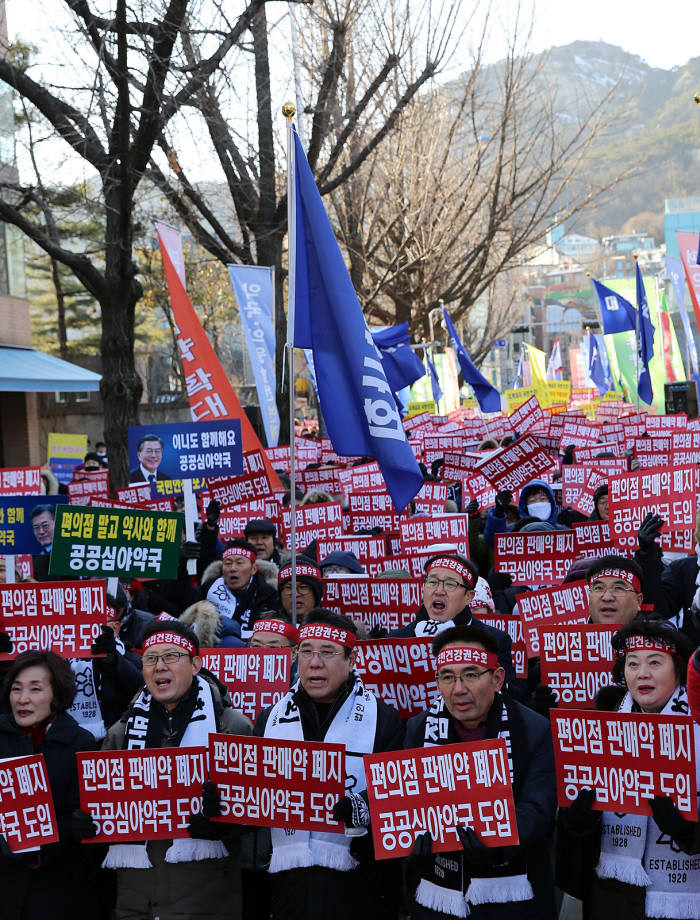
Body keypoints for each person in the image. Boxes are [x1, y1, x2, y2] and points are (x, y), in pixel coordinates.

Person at [93, 619, 253, 920]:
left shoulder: (231, 728)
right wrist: (90, 822)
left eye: (171, 656)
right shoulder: (121, 732)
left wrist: (229, 821)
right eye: (150, 659)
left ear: (195, 665)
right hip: (137, 902)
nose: (159, 666)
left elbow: (262, 813)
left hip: (206, 902)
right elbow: (104, 809)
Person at [254, 609, 405, 920]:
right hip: (288, 889)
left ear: (351, 661)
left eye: (328, 652)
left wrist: (362, 807)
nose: (315, 662)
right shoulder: (270, 718)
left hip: (359, 887)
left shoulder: (383, 719)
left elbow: (398, 794)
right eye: (306, 651)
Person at [404, 625, 557, 919]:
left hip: (514, 897)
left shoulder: (534, 729)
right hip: (438, 896)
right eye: (447, 677)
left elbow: (538, 807)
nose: (458, 689)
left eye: (471, 675)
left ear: (498, 678)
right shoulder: (419, 727)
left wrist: (496, 844)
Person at [556, 618, 700, 919]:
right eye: (632, 664)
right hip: (613, 899)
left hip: (684, 902)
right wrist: (578, 821)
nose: (642, 674)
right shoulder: (600, 731)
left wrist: (689, 833)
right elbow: (575, 836)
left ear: (678, 669)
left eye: (655, 662)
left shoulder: (697, 730)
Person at [0, 650, 97, 920]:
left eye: (35, 689)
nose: (23, 699)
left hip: (55, 889)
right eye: (16, 689)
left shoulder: (81, 743)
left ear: (56, 695)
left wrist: (37, 846)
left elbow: (77, 819)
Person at [389, 553, 518, 690]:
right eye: (432, 582)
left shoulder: (496, 640)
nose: (439, 591)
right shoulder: (395, 640)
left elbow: (512, 696)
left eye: (450, 584)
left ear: (468, 596)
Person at [203, 540, 279, 639]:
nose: (232, 568)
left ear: (254, 569)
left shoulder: (268, 594)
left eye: (239, 563)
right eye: (228, 563)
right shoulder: (209, 588)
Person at [587, 556, 644, 626]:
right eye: (598, 588)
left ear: (638, 601)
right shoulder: (571, 636)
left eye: (618, 588)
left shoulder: (656, 637)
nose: (607, 598)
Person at [278, 558, 325, 622]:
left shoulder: (332, 627)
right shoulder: (267, 628)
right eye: (289, 588)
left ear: (317, 593)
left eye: (303, 587)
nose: (296, 594)